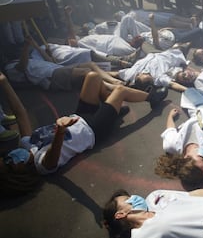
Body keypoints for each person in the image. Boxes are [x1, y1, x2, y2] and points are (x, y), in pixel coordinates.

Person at [0, 70, 168, 179]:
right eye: (11, 163)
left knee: (93, 77)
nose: (12, 156)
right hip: (94, 130)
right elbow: (53, 154)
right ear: (21, 173)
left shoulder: (26, 144)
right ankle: (152, 99)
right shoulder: (41, 164)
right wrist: (60, 129)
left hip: (80, 116)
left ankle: (113, 111)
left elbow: (21, 114)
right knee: (120, 91)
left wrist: (4, 82)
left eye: (7, 158)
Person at [4, 36, 124, 91]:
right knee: (86, 72)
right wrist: (25, 47)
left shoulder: (32, 58)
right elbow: (21, 67)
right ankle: (112, 87)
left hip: (57, 68)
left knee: (90, 64)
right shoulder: (9, 68)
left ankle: (114, 80)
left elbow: (50, 61)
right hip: (50, 77)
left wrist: (35, 46)